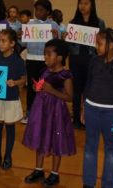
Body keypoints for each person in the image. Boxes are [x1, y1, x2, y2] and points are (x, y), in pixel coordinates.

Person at [82, 29, 113, 188]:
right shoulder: (94, 61)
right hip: (91, 109)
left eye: (100, 43)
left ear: (111, 45)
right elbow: (88, 84)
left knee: (111, 148)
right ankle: (88, 183)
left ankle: (108, 184)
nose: (97, 46)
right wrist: (84, 107)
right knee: (90, 146)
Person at [23, 39, 75, 186]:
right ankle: (38, 169)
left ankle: (54, 173)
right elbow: (40, 85)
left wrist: (51, 90)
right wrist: (36, 88)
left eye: (48, 54)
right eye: (44, 54)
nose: (45, 57)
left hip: (57, 111)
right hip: (41, 109)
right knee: (40, 136)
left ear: (59, 57)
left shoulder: (66, 75)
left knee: (56, 140)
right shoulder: (44, 71)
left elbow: (70, 97)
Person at [0, 29, 26, 170]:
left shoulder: (18, 60)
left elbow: (24, 79)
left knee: (9, 126)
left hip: (10, 98)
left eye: (3, 41)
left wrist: (15, 83)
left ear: (12, 43)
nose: (0, 43)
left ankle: (8, 156)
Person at [65, 0, 105, 129]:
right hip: (76, 60)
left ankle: (88, 119)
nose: (82, 6)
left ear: (92, 5)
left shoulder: (99, 23)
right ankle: (76, 119)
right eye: (81, 3)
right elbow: (69, 46)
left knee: (89, 91)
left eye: (86, 3)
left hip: (92, 60)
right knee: (76, 90)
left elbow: (103, 43)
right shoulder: (73, 22)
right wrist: (67, 39)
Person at [24, 0, 59, 124]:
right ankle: (29, 113)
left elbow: (57, 45)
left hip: (46, 61)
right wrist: (20, 36)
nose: (38, 13)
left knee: (45, 87)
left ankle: (46, 113)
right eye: (36, 10)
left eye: (41, 10)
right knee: (31, 87)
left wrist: (56, 37)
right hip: (32, 59)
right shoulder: (30, 24)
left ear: (48, 12)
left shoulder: (54, 25)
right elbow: (23, 42)